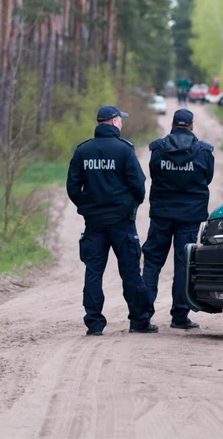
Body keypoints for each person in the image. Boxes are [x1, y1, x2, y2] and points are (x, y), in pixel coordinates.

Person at [66, 105, 158, 336]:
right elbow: (138, 186)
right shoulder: (124, 150)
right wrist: (129, 205)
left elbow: (73, 188)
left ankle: (94, 324)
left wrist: (86, 207)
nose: (122, 123)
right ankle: (139, 322)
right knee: (130, 272)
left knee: (93, 273)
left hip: (94, 223)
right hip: (122, 222)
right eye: (121, 120)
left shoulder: (83, 151)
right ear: (115, 122)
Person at [142, 108, 214, 330]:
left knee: (153, 263)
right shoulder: (203, 152)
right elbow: (208, 178)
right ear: (192, 126)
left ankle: (142, 316)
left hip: (162, 215)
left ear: (172, 124)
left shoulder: (158, 149)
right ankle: (180, 317)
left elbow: (154, 174)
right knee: (184, 264)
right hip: (190, 217)